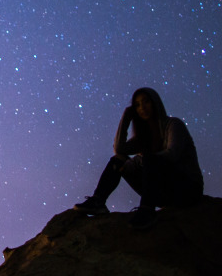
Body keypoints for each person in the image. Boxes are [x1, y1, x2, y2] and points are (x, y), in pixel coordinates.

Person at [74, 86, 203, 229]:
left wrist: (140, 160)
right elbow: (119, 149)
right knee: (119, 160)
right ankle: (98, 201)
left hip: (187, 188)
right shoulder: (143, 137)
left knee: (149, 160)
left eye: (146, 102)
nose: (142, 107)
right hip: (162, 191)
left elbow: (172, 154)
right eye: (137, 105)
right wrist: (126, 117)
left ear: (155, 102)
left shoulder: (173, 125)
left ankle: (147, 210)